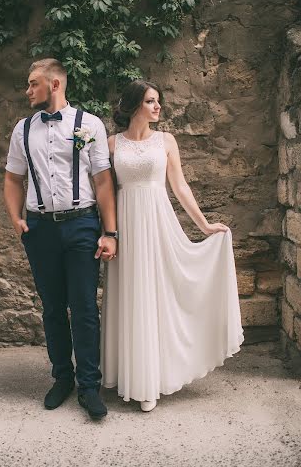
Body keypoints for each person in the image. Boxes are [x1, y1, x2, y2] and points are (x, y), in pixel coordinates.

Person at [100, 80, 244, 412]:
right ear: (136, 105)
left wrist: (205, 225)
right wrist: (107, 232)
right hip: (126, 225)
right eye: (151, 101)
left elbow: (179, 187)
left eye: (158, 101)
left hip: (157, 221)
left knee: (156, 293)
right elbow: (102, 192)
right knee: (130, 295)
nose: (158, 107)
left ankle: (151, 380)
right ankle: (130, 376)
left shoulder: (166, 141)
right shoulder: (111, 144)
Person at [4, 58, 117, 420]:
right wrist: (16, 219)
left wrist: (110, 232)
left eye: (33, 83)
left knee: (84, 308)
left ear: (54, 84)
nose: (27, 90)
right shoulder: (23, 130)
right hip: (40, 230)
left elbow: (102, 180)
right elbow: (12, 179)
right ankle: (62, 378)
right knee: (52, 308)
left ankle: (88, 386)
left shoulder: (87, 125)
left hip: (82, 225)